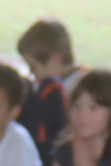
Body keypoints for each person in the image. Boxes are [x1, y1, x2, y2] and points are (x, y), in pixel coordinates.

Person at [15, 18, 78, 155]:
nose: (31, 73)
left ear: (56, 59)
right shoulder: (44, 88)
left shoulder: (78, 88)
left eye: (33, 67)